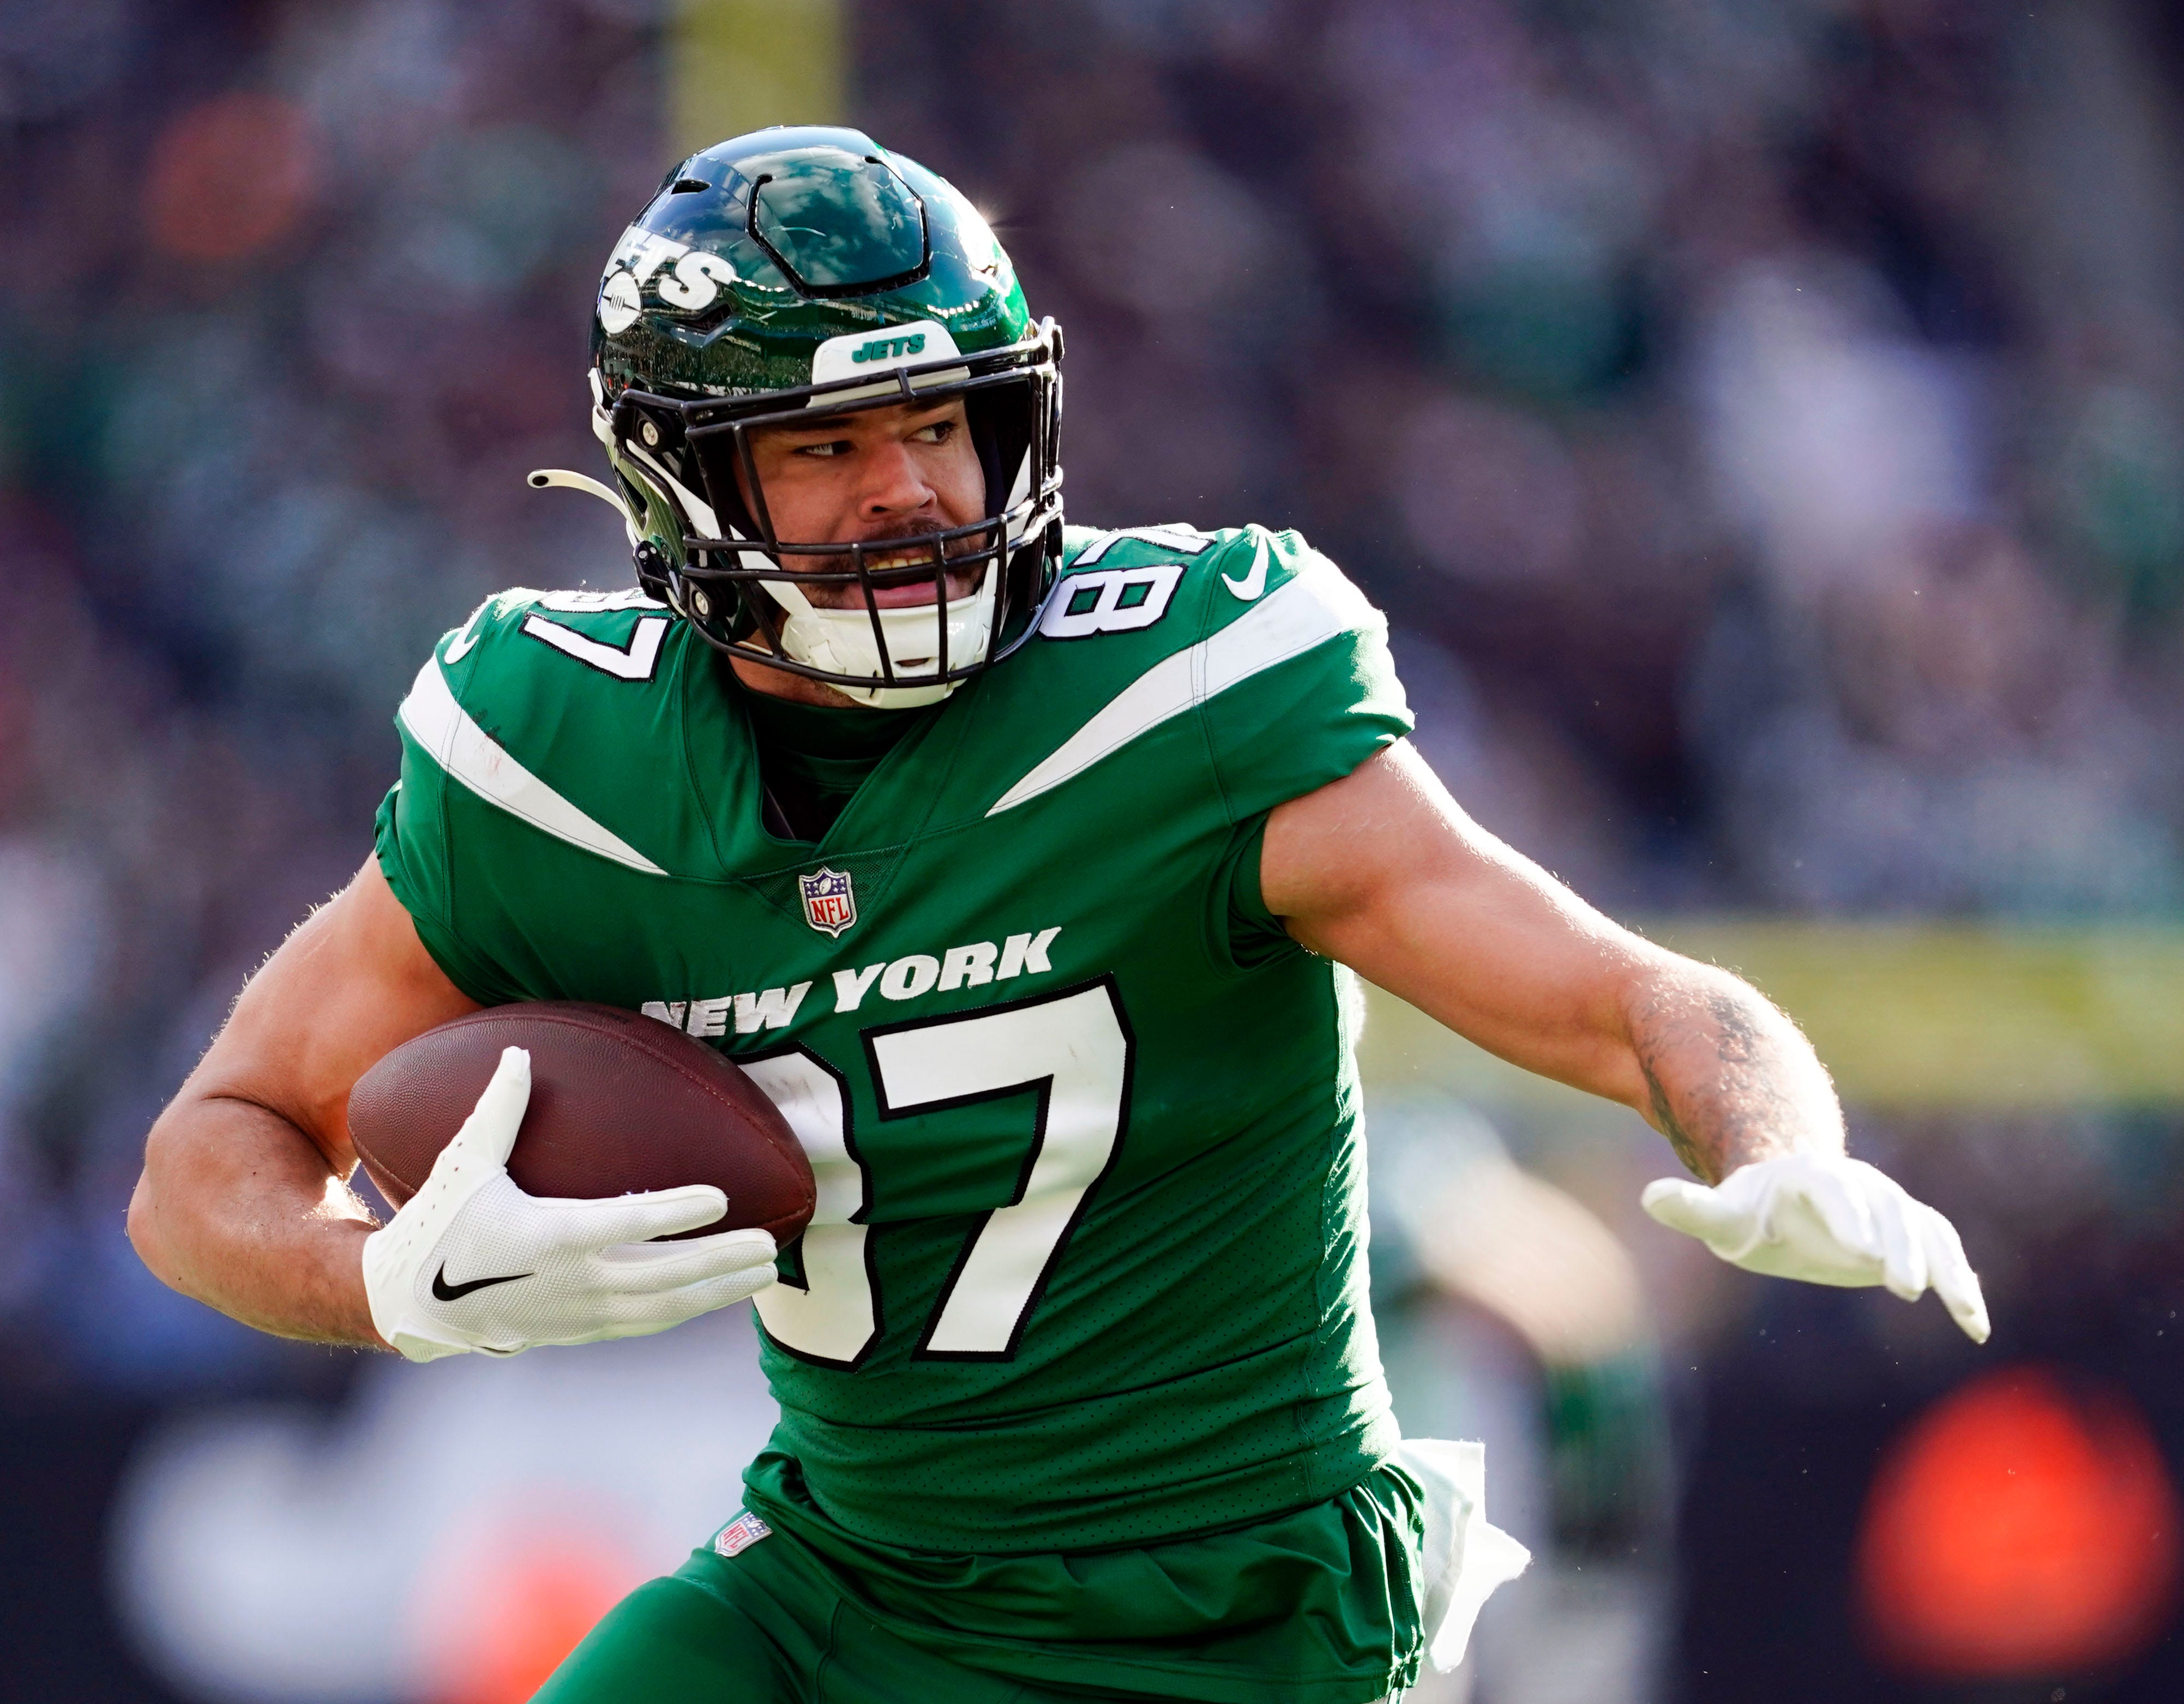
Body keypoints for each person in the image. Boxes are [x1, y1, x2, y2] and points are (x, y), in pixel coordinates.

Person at [127, 126, 1988, 1704]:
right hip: (844, 1587)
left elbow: (1620, 996)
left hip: (1242, 1619)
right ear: (683, 481)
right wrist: (379, 1282)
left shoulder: (1191, 697)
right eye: (831, 447)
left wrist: (1773, 1137)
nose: (913, 491)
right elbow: (206, 1158)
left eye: (942, 423)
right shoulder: (555, 760)